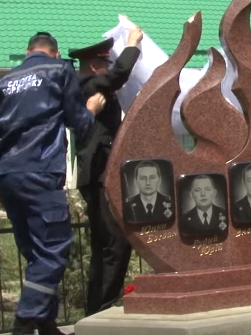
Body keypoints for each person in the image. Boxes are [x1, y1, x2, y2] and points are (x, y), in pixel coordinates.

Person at [0, 32, 106, 335]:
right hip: (40, 172)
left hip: (6, 176)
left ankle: (46, 324)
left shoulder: (0, 84)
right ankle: (25, 323)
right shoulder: (57, 71)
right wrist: (91, 110)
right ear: (54, 53)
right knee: (53, 249)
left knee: (37, 254)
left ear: (28, 52)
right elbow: (77, 120)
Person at [69, 28, 144, 317]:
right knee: (116, 243)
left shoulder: (89, 85)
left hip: (100, 174)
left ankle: (96, 310)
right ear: (93, 66)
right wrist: (133, 44)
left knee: (104, 246)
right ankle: (105, 307)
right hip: (100, 174)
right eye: (105, 63)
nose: (109, 67)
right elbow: (121, 73)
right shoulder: (88, 83)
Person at [123, 160, 174, 225]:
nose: (148, 183)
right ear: (135, 182)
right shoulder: (128, 205)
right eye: (143, 178)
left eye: (152, 178)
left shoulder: (169, 202)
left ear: (159, 180)